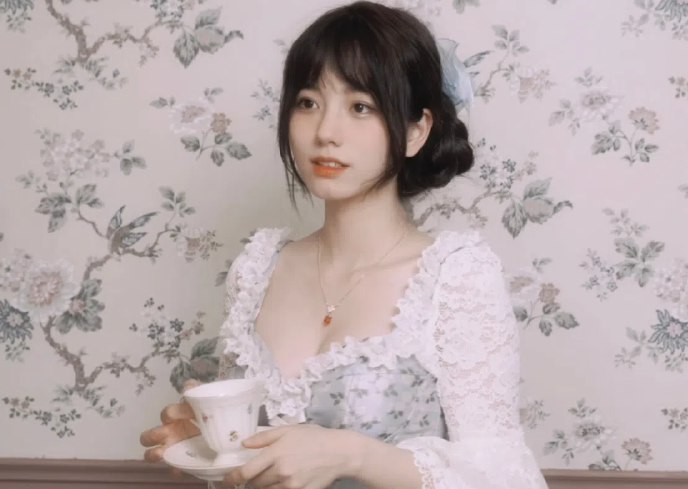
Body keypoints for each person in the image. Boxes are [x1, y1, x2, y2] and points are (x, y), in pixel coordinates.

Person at [139, 2, 549, 488]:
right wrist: (212, 443)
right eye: (308, 102)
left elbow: (504, 476)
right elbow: (255, 467)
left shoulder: (455, 277)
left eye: (360, 107)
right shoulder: (257, 270)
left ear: (416, 131)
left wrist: (352, 455)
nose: (325, 133)